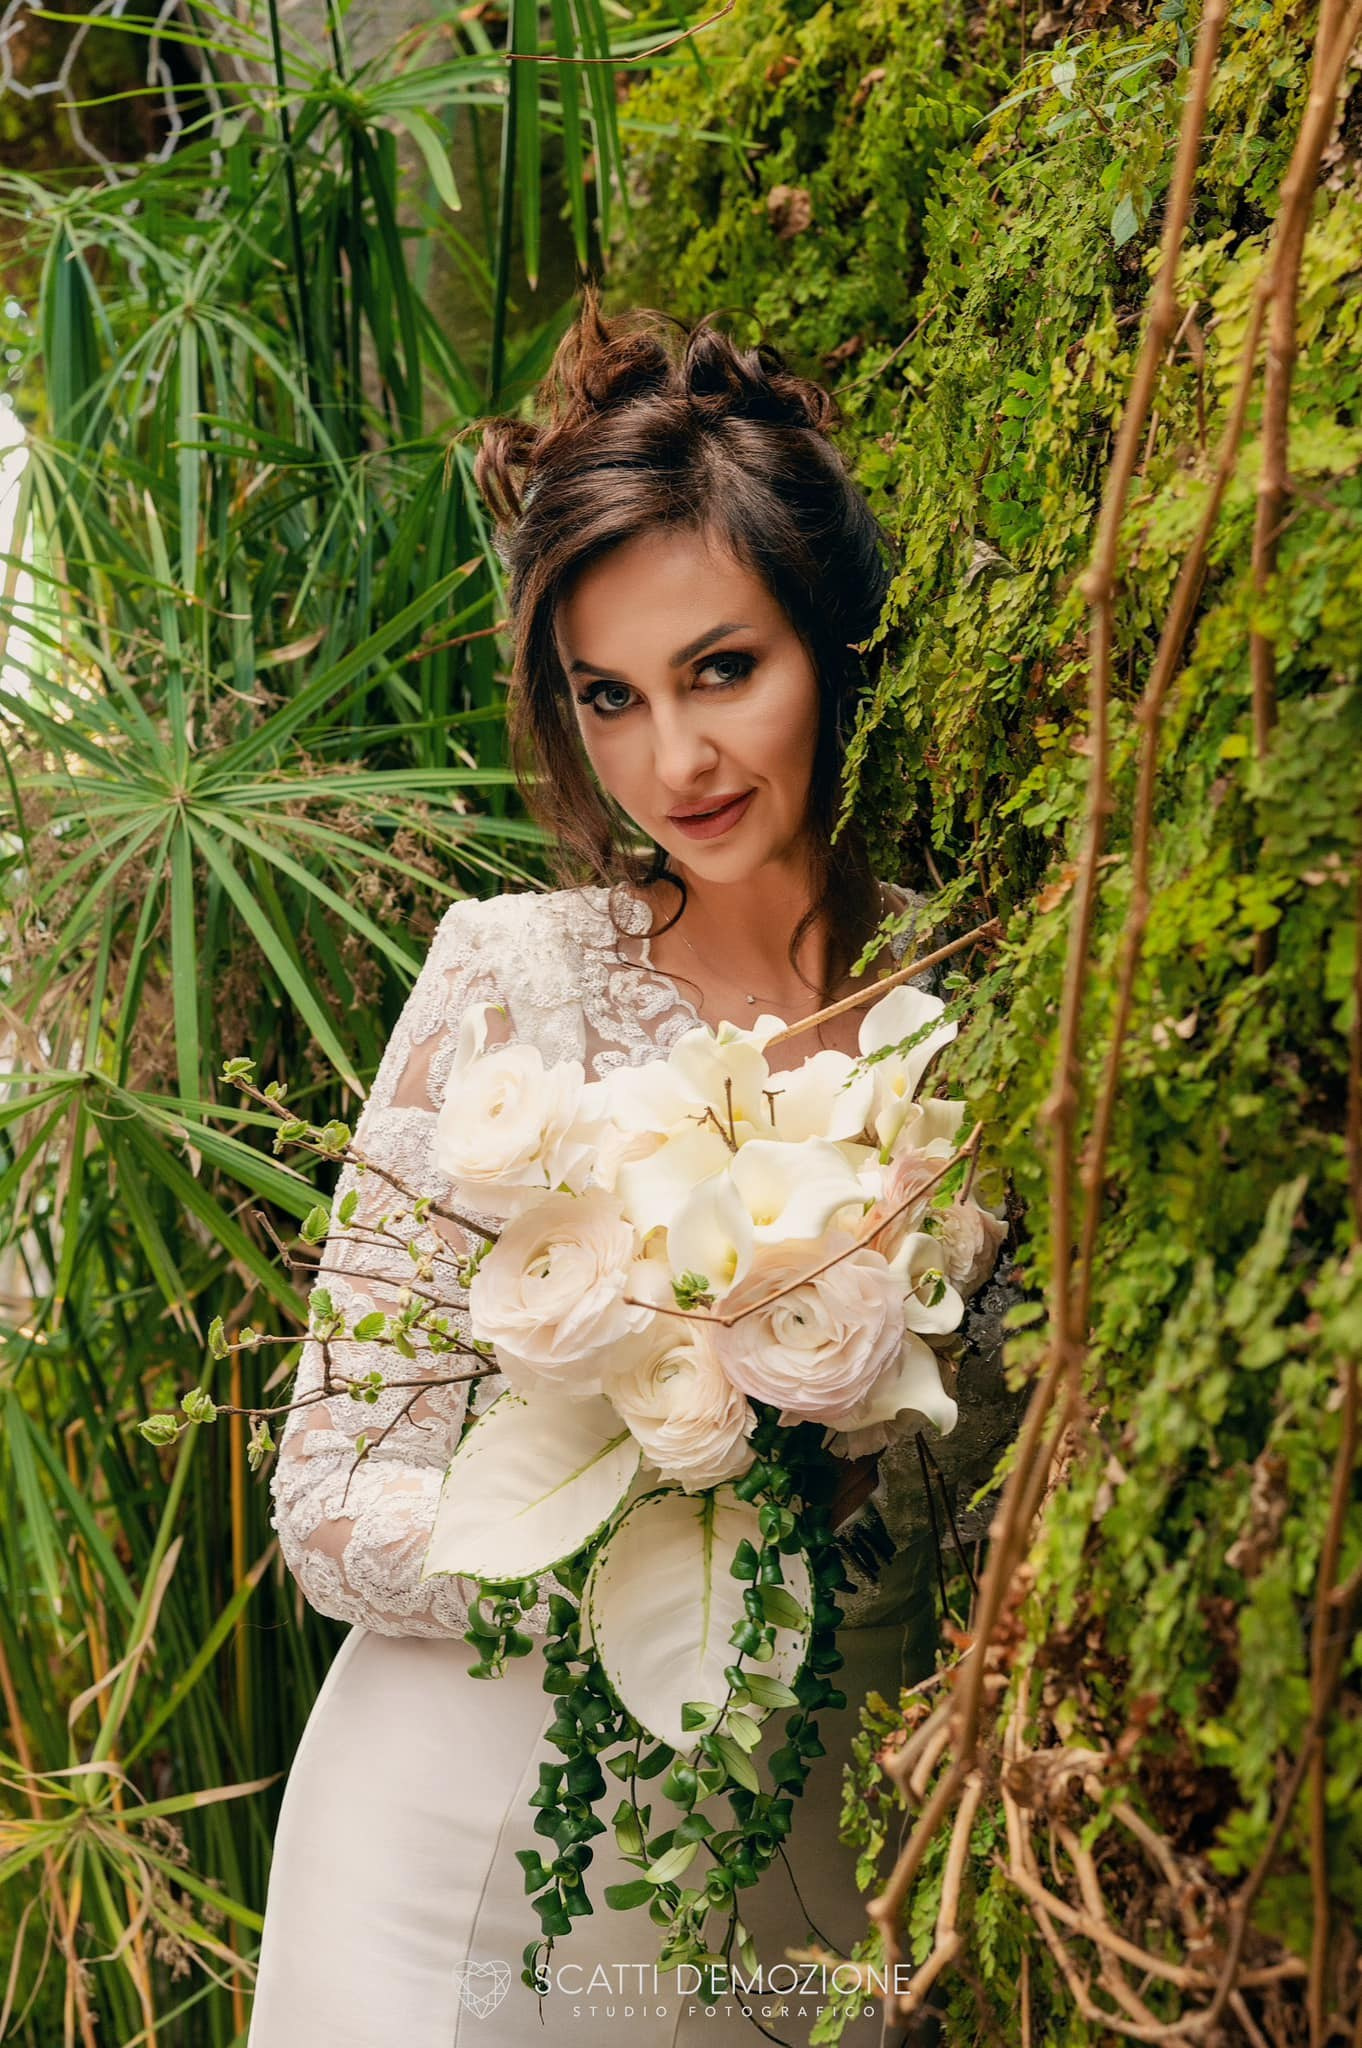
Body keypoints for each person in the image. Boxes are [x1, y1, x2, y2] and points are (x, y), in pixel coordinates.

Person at [246, 286, 998, 2048]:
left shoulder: (976, 1007)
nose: (676, 759)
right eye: (611, 696)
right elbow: (331, 1500)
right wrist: (675, 1500)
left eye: (723, 669)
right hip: (455, 1851)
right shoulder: (507, 982)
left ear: (834, 643)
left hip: (812, 1866)